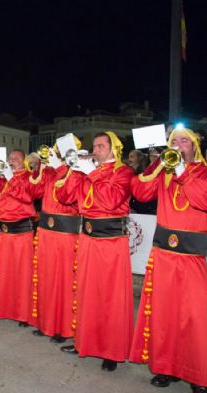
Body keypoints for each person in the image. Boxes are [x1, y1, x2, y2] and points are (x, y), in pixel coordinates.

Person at [129, 127, 207, 393]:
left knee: (196, 321)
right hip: (163, 255)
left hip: (192, 257)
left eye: (183, 140)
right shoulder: (165, 171)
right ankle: (167, 367)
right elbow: (140, 191)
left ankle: (200, 383)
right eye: (173, 142)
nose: (178, 145)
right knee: (164, 316)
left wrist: (183, 171)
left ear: (195, 146)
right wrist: (159, 163)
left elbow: (206, 200)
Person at [56, 132, 133, 372]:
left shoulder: (123, 172)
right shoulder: (88, 170)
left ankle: (111, 350)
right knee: (86, 292)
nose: (96, 150)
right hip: (88, 238)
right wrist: (74, 170)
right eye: (94, 146)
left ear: (113, 150)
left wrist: (91, 172)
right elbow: (64, 196)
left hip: (111, 241)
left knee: (109, 297)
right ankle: (84, 342)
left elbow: (111, 200)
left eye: (101, 146)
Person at [28, 141, 81, 343]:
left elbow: (67, 196)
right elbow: (34, 192)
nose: (55, 152)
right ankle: (46, 323)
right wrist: (41, 166)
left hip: (65, 235)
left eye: (60, 150)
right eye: (55, 149)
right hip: (46, 233)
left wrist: (59, 166)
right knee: (46, 278)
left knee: (65, 283)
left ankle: (64, 328)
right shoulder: (50, 170)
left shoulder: (76, 170)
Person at [0, 149, 36, 324]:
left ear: (24, 161)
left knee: (22, 275)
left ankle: (23, 313)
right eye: (10, 158)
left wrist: (11, 178)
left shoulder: (29, 176)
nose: (12, 161)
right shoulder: (2, 176)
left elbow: (27, 197)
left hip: (21, 231)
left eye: (16, 159)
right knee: (2, 273)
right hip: (2, 231)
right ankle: (0, 308)